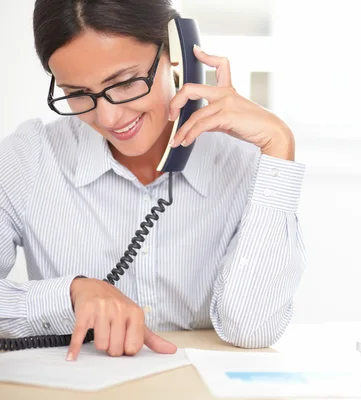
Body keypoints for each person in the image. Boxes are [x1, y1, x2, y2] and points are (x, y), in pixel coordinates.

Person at [0, 0, 306, 360]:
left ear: (177, 54)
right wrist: (68, 295)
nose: (109, 117)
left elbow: (251, 328)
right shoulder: (30, 157)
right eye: (77, 94)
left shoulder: (244, 161)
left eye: (126, 82)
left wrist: (279, 146)